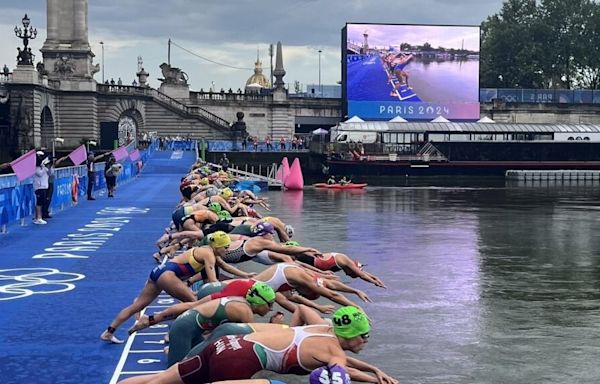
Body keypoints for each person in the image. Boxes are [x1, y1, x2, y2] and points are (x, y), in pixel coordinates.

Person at [117, 306, 391, 384]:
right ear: (351, 334)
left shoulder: (323, 328)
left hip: (225, 344)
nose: (366, 341)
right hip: (237, 361)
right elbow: (338, 375)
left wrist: (372, 373)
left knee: (160, 379)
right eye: (364, 335)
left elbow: (336, 363)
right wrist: (369, 378)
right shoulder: (334, 353)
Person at [100, 231, 231, 344]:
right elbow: (214, 281)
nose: (228, 250)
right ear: (217, 246)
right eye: (226, 247)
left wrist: (247, 275)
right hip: (167, 276)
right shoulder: (208, 255)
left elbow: (225, 266)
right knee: (193, 304)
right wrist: (232, 287)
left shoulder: (207, 251)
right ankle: (163, 328)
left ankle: (108, 332)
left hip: (158, 272)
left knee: (137, 305)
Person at [165, 281, 276, 366]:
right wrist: (273, 325)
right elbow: (255, 339)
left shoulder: (240, 301)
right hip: (183, 329)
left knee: (202, 365)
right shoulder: (244, 311)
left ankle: (175, 349)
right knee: (179, 371)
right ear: (259, 302)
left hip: (191, 328)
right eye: (269, 305)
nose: (271, 309)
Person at [32, 152, 53, 225]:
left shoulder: (43, 167)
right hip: (38, 187)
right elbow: (39, 174)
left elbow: (50, 174)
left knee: (42, 202)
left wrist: (49, 167)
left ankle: (39, 217)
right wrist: (44, 167)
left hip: (44, 186)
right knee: (39, 203)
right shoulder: (36, 168)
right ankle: (38, 218)